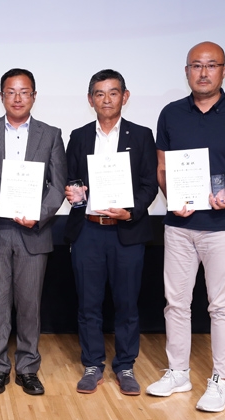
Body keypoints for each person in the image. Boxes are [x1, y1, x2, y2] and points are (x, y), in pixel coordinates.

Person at [146, 42, 225, 412]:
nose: (203, 72)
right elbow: (162, 168)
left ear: (223, 70)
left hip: (223, 227)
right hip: (179, 226)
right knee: (175, 304)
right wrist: (172, 197)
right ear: (186, 71)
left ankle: (221, 382)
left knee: (221, 305)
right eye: (196, 65)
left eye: (211, 65)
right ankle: (178, 373)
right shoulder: (170, 114)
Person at [0, 68, 67, 396]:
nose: (17, 98)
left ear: (34, 96)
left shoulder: (51, 134)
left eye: (24, 92)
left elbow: (58, 185)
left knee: (29, 305)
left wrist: (39, 214)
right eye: (11, 92)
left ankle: (28, 368)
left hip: (33, 231)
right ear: (1, 96)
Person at [64, 69, 158, 396]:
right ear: (90, 99)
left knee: (127, 304)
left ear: (124, 97)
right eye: (100, 94)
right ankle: (92, 364)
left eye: (113, 93)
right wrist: (73, 193)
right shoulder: (78, 136)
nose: (106, 99)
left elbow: (149, 184)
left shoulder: (141, 135)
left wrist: (130, 211)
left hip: (127, 232)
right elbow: (71, 180)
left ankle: (125, 366)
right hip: (88, 231)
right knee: (88, 304)